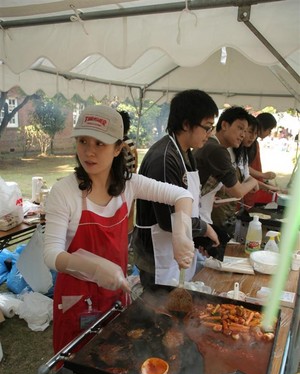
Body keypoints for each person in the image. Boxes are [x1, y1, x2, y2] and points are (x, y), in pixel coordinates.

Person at [43, 105, 195, 353]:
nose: (89, 152)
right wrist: (94, 267)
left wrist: (180, 233)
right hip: (78, 299)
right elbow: (51, 254)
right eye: (83, 141)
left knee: (116, 354)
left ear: (117, 148)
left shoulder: (129, 185)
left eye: (100, 143)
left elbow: (182, 195)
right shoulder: (65, 192)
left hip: (115, 293)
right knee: (77, 362)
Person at [132, 89, 220, 291]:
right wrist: (204, 228)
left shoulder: (185, 153)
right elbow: (168, 220)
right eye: (206, 128)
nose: (210, 134)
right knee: (157, 310)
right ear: (186, 124)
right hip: (156, 253)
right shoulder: (164, 158)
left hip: (174, 247)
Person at [193, 106, 259, 229]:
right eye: (240, 128)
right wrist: (254, 180)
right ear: (224, 125)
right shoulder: (217, 150)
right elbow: (237, 191)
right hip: (197, 220)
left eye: (245, 131)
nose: (242, 135)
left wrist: (210, 197)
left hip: (199, 216)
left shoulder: (212, 145)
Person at [243, 112, 280, 207]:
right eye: (269, 130)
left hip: (251, 186)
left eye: (254, 133)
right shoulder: (247, 144)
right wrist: (263, 175)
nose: (269, 133)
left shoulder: (254, 143)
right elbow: (244, 169)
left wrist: (265, 183)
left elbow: (245, 170)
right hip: (244, 190)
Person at [118, 110, 138, 243]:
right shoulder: (129, 142)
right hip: (129, 184)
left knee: (121, 221)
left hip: (122, 186)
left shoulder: (122, 145)